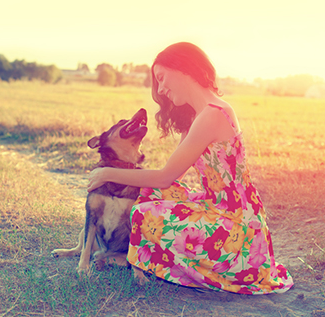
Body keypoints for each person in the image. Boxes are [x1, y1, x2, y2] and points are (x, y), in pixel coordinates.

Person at [87, 42, 294, 295]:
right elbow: (171, 177)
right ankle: (128, 254)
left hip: (237, 225)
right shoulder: (199, 116)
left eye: (162, 79)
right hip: (214, 205)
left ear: (183, 69)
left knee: (144, 213)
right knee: (145, 194)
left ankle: (133, 259)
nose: (161, 89)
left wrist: (107, 173)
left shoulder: (214, 114)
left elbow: (165, 177)